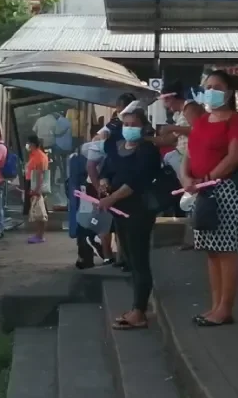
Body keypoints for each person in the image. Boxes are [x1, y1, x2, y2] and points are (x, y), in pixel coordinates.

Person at [180, 70, 238, 327]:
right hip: (202, 191)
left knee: (226, 250)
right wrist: (187, 178)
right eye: (207, 86)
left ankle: (225, 308)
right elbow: (189, 153)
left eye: (217, 86)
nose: (210, 90)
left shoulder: (237, 122)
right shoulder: (202, 121)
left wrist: (207, 178)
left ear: (230, 92)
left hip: (226, 190)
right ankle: (215, 306)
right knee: (211, 251)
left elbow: (234, 157)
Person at [98, 108, 161, 330]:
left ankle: (139, 310)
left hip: (139, 210)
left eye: (134, 124)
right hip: (119, 211)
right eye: (126, 124)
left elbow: (136, 181)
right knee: (131, 260)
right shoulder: (117, 148)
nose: (129, 128)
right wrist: (105, 184)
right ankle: (136, 307)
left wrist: (112, 198)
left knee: (139, 259)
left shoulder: (148, 151)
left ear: (143, 127)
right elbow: (106, 170)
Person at [88, 93, 136, 268]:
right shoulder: (114, 125)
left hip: (120, 182)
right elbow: (97, 142)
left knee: (121, 222)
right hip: (108, 180)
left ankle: (122, 257)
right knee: (110, 221)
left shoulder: (137, 131)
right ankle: (112, 256)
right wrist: (100, 184)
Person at [26, 135, 50, 244]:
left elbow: (40, 174)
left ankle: (39, 235)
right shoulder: (36, 155)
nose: (28, 145)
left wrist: (36, 189)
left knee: (39, 212)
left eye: (29, 143)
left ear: (33, 144)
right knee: (39, 211)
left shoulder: (39, 156)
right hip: (36, 185)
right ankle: (39, 234)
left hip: (37, 186)